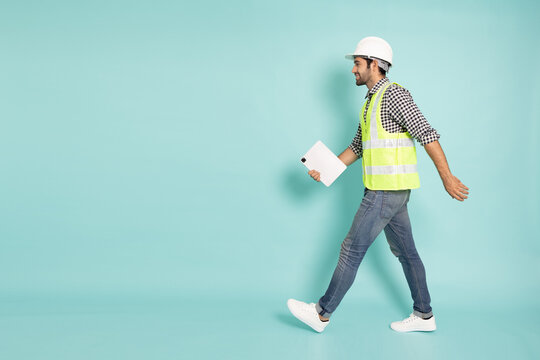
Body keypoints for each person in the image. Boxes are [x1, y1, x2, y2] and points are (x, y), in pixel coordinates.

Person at [287, 36, 469, 333]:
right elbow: (357, 147)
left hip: (385, 191)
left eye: (357, 64)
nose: (353, 70)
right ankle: (424, 315)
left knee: (351, 249)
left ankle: (321, 313)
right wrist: (324, 167)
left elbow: (426, 133)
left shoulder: (394, 96)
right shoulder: (370, 101)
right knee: (407, 253)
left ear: (374, 64)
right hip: (390, 192)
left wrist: (446, 177)